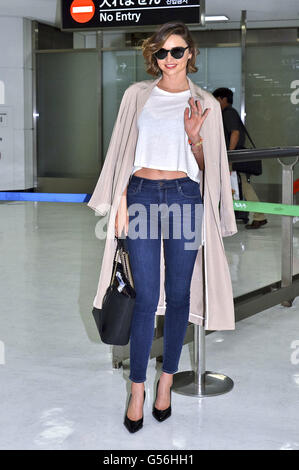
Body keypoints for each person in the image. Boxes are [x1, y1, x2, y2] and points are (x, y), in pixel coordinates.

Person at [87, 22, 237, 434]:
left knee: (177, 295)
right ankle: (137, 388)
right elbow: (121, 151)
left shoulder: (203, 101)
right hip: (140, 196)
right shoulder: (137, 95)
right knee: (145, 294)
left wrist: (196, 141)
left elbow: (212, 172)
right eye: (161, 53)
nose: (168, 59)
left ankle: (166, 381)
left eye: (177, 51)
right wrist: (118, 202)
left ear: (191, 53)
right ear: (153, 58)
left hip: (186, 199)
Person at [213, 87, 268, 229]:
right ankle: (253, 215)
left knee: (243, 186)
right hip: (235, 157)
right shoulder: (229, 113)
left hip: (235, 157)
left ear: (223, 99)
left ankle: (259, 215)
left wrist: (230, 155)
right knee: (241, 186)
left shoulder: (228, 113)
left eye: (216, 100)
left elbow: (235, 133)